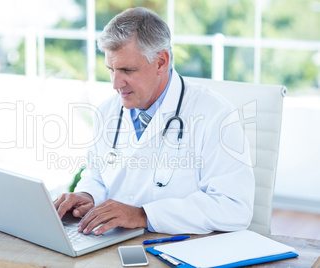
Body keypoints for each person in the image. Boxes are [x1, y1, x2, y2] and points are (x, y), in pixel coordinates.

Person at [54, 7, 255, 235]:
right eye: (111, 69)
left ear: (161, 61)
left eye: (127, 70)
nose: (115, 83)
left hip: (183, 247)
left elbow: (234, 207)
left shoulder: (215, 115)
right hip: (114, 244)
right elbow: (97, 176)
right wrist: (87, 196)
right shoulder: (108, 110)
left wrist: (143, 215)